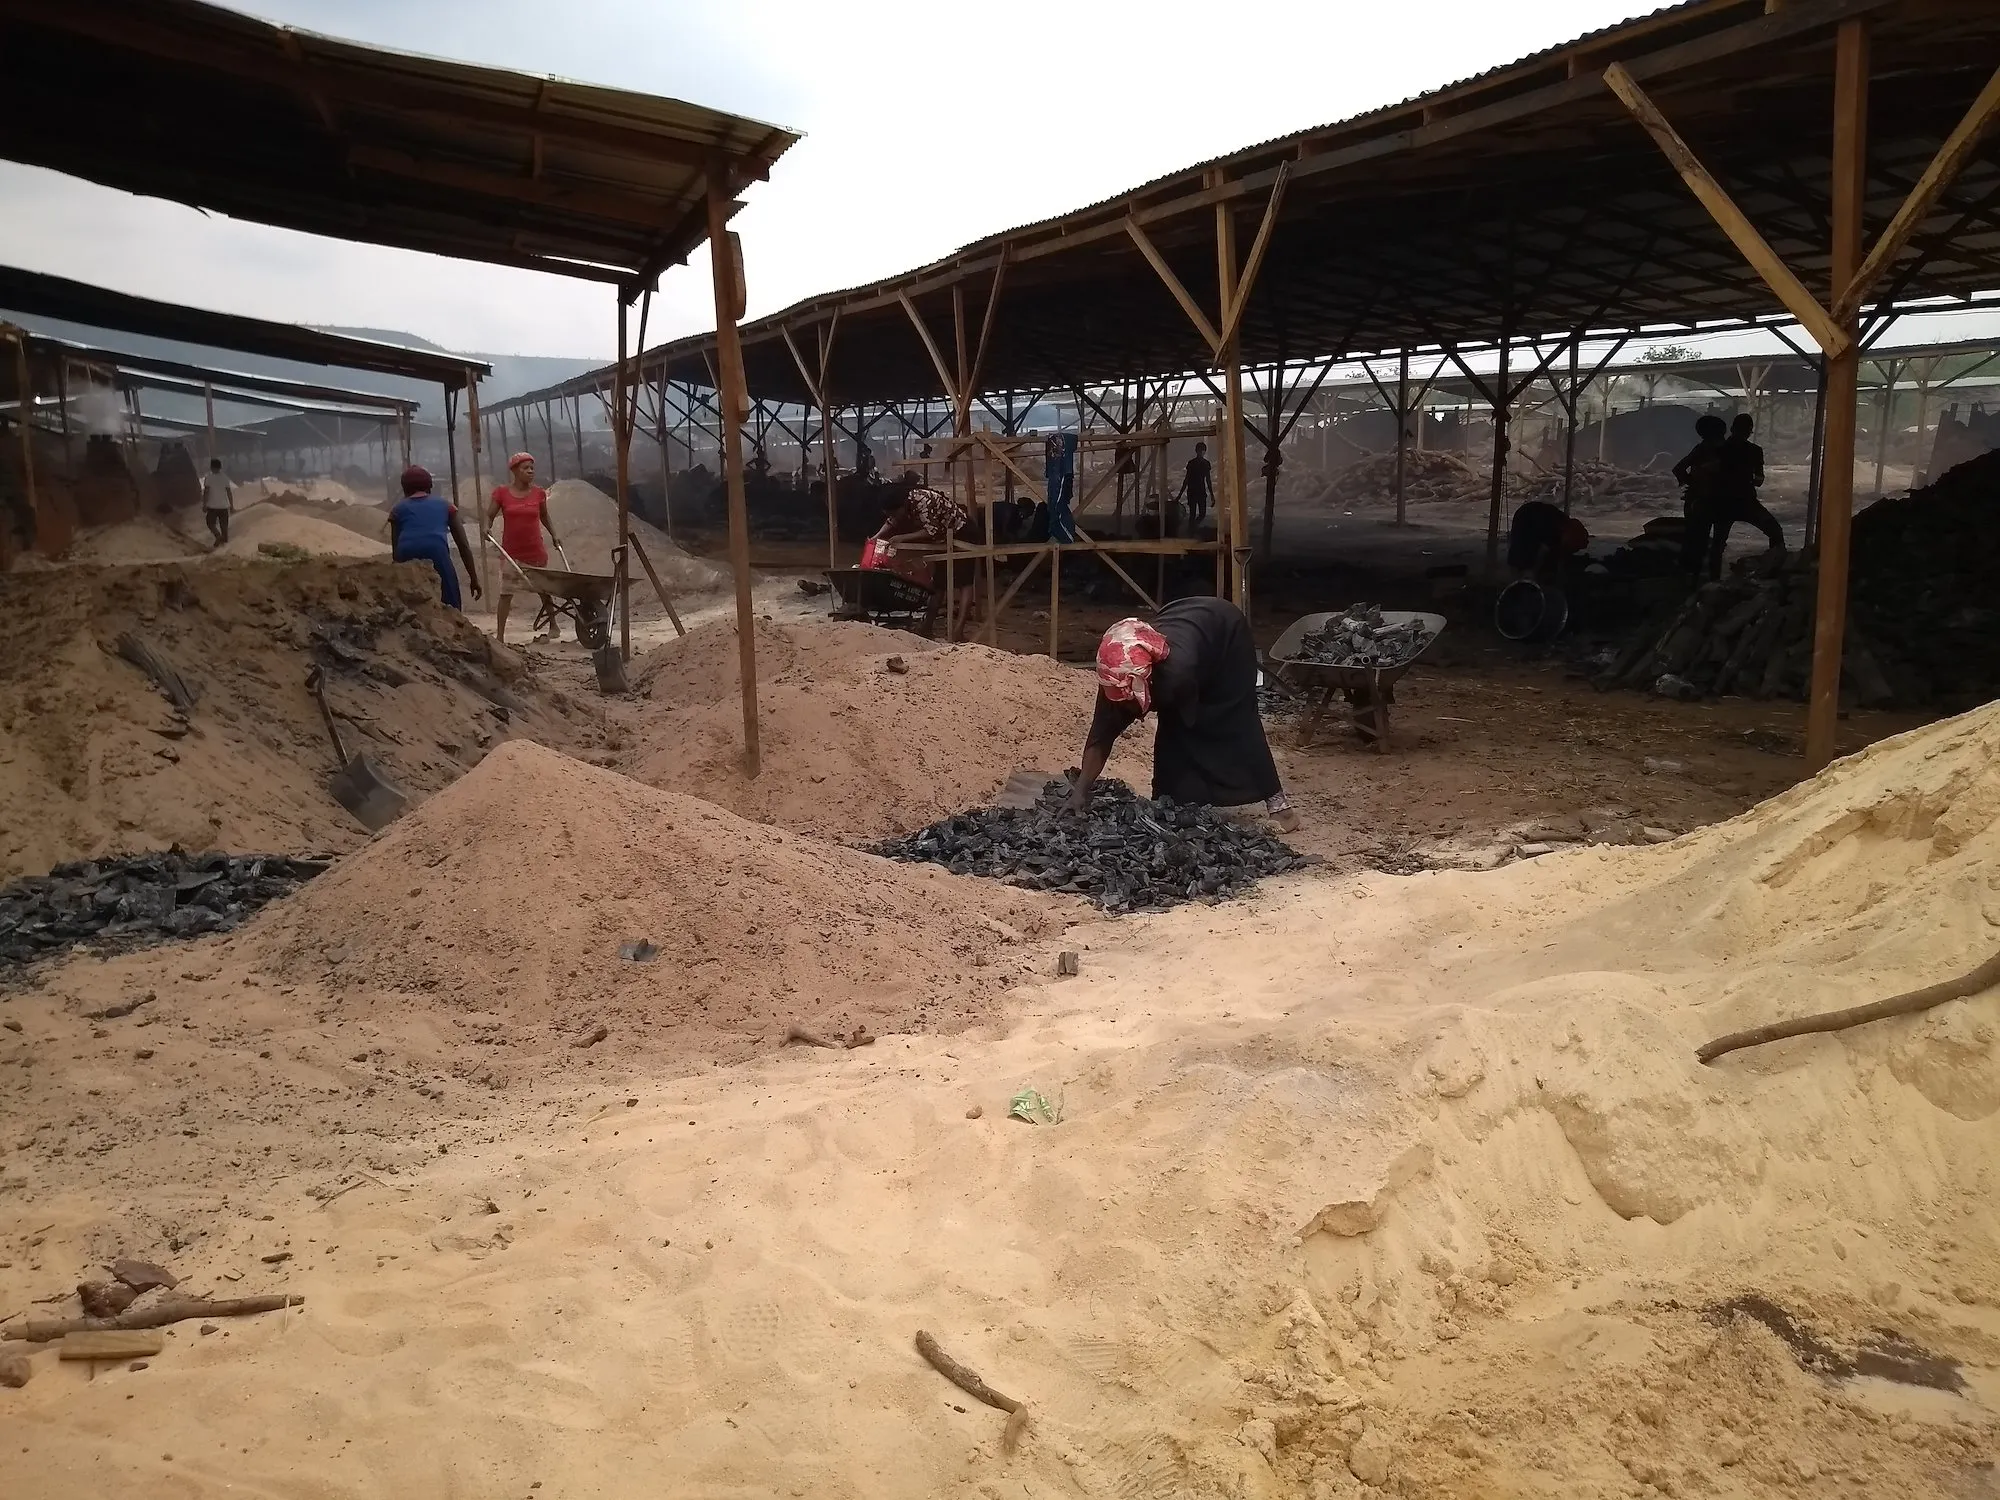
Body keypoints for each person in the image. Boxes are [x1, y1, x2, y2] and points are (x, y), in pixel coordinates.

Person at [1065, 598, 1298, 832]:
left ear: (1149, 680)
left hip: (1225, 637)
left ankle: (1280, 808)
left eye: (1130, 702)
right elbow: (1100, 736)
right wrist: (1080, 792)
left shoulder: (1176, 675)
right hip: (1183, 619)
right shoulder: (1117, 675)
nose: (1127, 710)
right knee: (1174, 737)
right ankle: (1169, 802)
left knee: (1235, 722)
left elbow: (1187, 723)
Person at [877, 485, 982, 638]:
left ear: (903, 505)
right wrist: (876, 537)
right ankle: (926, 628)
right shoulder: (903, 503)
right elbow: (891, 521)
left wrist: (902, 538)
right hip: (944, 537)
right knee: (939, 583)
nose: (895, 516)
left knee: (964, 582)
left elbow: (931, 530)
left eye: (894, 512)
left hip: (963, 532)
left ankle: (958, 631)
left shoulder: (922, 501)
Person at [486, 453, 563, 644]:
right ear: (514, 471)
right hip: (511, 552)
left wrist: (554, 535)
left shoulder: (538, 493)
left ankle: (554, 625)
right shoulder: (501, 493)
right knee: (506, 593)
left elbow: (545, 517)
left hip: (535, 550)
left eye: (532, 468)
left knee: (544, 590)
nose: (530, 471)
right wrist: (486, 528)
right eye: (525, 468)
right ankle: (501, 635)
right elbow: (489, 515)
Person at [389, 464, 481, 611]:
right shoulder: (446, 506)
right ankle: (454, 616)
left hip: (406, 552)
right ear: (430, 486)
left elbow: (396, 547)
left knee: (407, 601)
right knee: (449, 597)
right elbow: (463, 545)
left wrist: (396, 572)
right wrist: (474, 579)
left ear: (404, 488)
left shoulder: (398, 509)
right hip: (436, 551)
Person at [1706, 413, 1785, 576]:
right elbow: (1759, 480)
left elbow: (1708, 475)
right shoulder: (1755, 451)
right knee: (1775, 531)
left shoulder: (1719, 450)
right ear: (1749, 432)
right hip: (1746, 501)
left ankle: (1712, 579)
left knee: (1718, 544)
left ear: (1732, 429)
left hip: (1724, 502)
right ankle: (1774, 570)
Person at [1671, 414, 1728, 576]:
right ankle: (1711, 578)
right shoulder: (1723, 450)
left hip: (1698, 501)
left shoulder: (1702, 449)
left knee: (1695, 541)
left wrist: (1693, 483)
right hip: (1718, 502)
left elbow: (1678, 469)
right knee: (1715, 544)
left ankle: (1691, 578)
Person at [1506, 499, 1590, 579]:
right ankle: (1520, 578)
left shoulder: (1563, 528)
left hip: (1532, 515)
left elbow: (1559, 552)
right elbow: (1541, 552)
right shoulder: (1551, 528)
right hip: (1526, 517)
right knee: (1521, 557)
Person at [1177, 442, 1214, 529]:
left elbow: (1208, 480)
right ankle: (1192, 529)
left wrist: (1212, 495)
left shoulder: (1200, 463)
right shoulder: (1195, 463)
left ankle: (1192, 528)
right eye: (1200, 450)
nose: (1201, 452)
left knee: (1199, 514)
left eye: (1202, 451)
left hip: (1197, 491)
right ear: (1197, 451)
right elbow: (1187, 479)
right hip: (1195, 491)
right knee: (1195, 514)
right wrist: (1179, 495)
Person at [200, 458, 234, 546]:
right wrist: (231, 505)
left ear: (211, 467)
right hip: (224, 506)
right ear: (220, 467)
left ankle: (218, 535)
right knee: (224, 526)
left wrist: (204, 504)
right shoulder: (225, 478)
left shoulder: (209, 478)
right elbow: (229, 493)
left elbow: (206, 492)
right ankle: (225, 546)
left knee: (210, 523)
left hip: (212, 506)